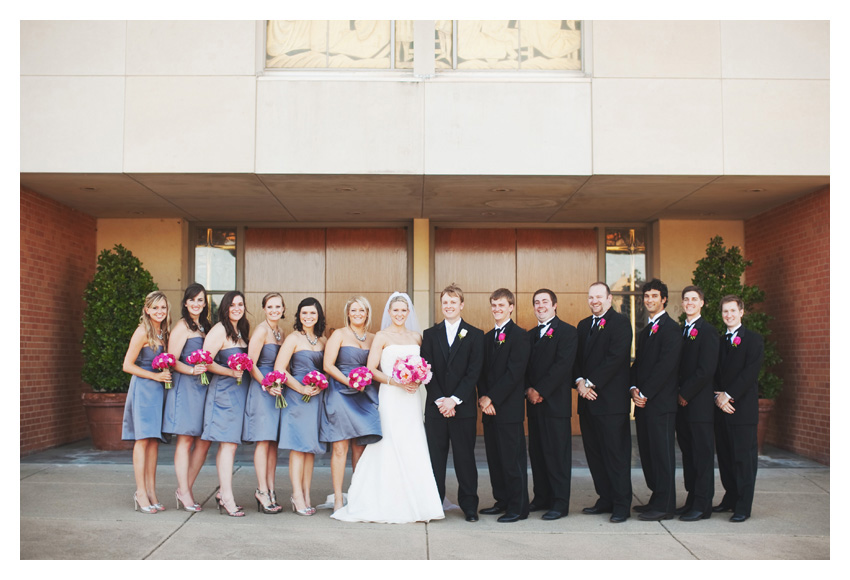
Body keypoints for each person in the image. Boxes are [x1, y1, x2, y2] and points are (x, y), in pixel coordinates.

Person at [331, 292, 444, 524]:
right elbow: (371, 369)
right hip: (392, 395)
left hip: (411, 398)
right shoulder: (381, 337)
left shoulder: (416, 337)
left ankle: (420, 501)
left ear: (409, 312)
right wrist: (396, 381)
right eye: (396, 310)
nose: (400, 314)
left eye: (404, 310)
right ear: (389, 313)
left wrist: (418, 378)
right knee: (389, 442)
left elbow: (426, 366)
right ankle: (382, 498)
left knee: (412, 442)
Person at [421, 283, 484, 522]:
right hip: (436, 409)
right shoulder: (430, 334)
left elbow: (474, 371)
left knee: (465, 459)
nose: (449, 306)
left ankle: (469, 507)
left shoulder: (475, 334)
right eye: (445, 302)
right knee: (435, 460)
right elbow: (427, 370)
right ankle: (435, 504)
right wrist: (440, 400)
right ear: (441, 305)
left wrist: (454, 400)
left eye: (453, 302)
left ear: (461, 305)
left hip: (463, 408)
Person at [573, 282, 633, 523]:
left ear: (609, 298)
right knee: (595, 455)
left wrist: (590, 383)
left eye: (599, 296)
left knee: (615, 455)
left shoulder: (620, 323)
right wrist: (579, 382)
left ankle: (621, 504)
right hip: (587, 402)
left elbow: (616, 358)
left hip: (610, 404)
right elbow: (575, 359)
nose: (594, 301)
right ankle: (605, 498)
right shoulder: (583, 325)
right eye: (591, 297)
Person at [321, 296, 382, 512]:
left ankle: (357, 495)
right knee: (340, 448)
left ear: (367, 313)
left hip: (365, 395)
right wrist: (350, 381)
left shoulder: (375, 338)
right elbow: (328, 365)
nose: (358, 314)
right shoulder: (338, 334)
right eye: (354, 310)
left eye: (362, 310)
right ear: (348, 312)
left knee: (361, 448)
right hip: (340, 392)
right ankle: (338, 498)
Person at [630, 278, 682, 521]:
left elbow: (666, 367)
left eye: (654, 296)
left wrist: (645, 392)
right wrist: (632, 389)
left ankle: (666, 505)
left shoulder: (672, 329)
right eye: (646, 296)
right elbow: (638, 365)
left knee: (662, 455)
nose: (649, 300)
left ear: (664, 299)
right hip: (643, 403)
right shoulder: (644, 331)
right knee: (649, 454)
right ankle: (656, 497)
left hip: (660, 405)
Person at [477, 288, 530, 523]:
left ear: (511, 307)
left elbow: (514, 373)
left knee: (512, 460)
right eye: (494, 305)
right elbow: (481, 372)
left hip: (508, 409)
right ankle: (502, 501)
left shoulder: (520, 335)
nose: (497, 309)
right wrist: (483, 398)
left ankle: (518, 507)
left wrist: (492, 398)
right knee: (495, 459)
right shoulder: (486, 338)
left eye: (501, 305)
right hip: (489, 409)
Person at [524, 288, 578, 521]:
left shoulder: (567, 332)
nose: (540, 306)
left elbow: (562, 366)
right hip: (534, 405)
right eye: (537, 302)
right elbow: (524, 367)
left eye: (545, 301)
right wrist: (528, 390)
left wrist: (540, 390)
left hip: (555, 405)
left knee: (557, 455)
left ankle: (559, 503)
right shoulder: (530, 335)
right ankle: (542, 497)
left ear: (555, 305)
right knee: (537, 453)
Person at [274, 297, 328, 516]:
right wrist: (300, 389)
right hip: (297, 398)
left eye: (312, 313)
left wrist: (319, 386)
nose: (308, 317)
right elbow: (279, 368)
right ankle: (297, 495)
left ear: (318, 316)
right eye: (304, 313)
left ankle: (306, 493)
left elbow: (326, 369)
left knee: (310, 449)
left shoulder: (322, 340)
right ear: (298, 316)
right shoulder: (294, 338)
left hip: (315, 399)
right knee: (298, 448)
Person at [713, 295, 764, 523]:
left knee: (743, 459)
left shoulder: (753, 340)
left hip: (742, 411)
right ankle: (730, 498)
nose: (729, 315)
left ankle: (743, 505)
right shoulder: (719, 340)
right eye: (725, 311)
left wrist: (728, 395)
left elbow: (749, 374)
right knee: (725, 457)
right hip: (720, 408)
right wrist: (717, 397)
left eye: (732, 311)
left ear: (741, 312)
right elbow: (713, 371)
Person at [200, 290, 251, 517]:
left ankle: (223, 492)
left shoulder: (242, 329)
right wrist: (231, 373)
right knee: (228, 444)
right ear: (225, 307)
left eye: (240, 304)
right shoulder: (219, 329)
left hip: (239, 392)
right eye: (232, 305)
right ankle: (227, 496)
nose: (237, 308)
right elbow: (206, 362)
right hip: (223, 392)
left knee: (229, 445)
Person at [121, 291, 172, 514]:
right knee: (142, 440)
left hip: (159, 391)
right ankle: (140, 492)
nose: (159, 312)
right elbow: (127, 365)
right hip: (143, 390)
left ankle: (151, 491)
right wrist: (155, 376)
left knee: (153, 441)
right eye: (155, 308)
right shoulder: (142, 332)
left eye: (163, 308)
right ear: (147, 310)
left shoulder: (164, 333)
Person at [164, 283, 212, 512]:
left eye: (200, 300)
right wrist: (192, 370)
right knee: (186, 440)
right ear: (185, 303)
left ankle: (185, 489)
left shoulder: (206, 327)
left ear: (205, 303)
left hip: (204, 389)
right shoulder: (182, 327)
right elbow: (171, 360)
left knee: (204, 441)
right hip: (186, 387)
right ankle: (184, 491)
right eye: (192, 300)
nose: (196, 304)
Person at [675, 285, 720, 521]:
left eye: (694, 299)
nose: (689, 302)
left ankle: (703, 505)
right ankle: (691, 499)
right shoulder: (681, 330)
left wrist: (685, 393)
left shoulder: (708, 331)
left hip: (698, 406)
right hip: (681, 406)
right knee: (689, 455)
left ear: (702, 303)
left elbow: (706, 370)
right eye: (686, 299)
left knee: (702, 456)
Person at [242, 292, 286, 514]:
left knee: (273, 443)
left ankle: (271, 488)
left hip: (276, 391)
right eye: (270, 306)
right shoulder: (261, 330)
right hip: (262, 390)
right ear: (264, 308)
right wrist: (267, 385)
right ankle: (262, 490)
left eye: (278, 306)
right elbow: (250, 364)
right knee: (262, 441)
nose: (274, 310)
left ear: (283, 309)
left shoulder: (280, 332)